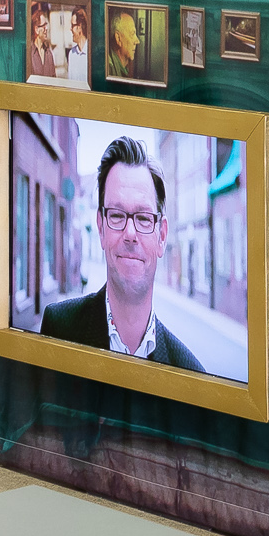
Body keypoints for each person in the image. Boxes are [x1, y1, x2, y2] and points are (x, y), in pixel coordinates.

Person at [42, 140, 193, 369]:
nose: (130, 233)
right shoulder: (58, 330)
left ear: (162, 236)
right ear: (101, 228)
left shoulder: (189, 372)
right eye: (116, 215)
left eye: (143, 218)